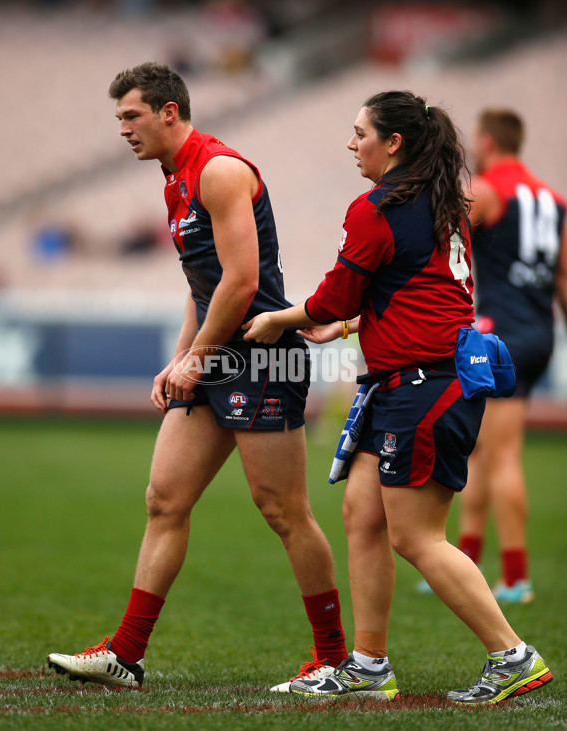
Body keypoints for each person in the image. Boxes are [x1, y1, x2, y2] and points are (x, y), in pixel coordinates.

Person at [242, 91, 553, 704]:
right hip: (417, 380)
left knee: (416, 537)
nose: (350, 143)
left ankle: (513, 655)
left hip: (424, 386)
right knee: (362, 513)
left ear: (394, 144)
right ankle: (369, 665)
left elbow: (334, 296)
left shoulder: (377, 206)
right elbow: (420, 295)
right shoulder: (442, 202)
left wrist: (281, 319)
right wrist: (353, 326)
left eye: (360, 133)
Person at [47, 62, 347, 690]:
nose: (123, 130)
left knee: (282, 509)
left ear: (169, 112)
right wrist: (180, 355)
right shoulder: (174, 179)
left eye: (131, 116)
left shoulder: (219, 170)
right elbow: (203, 286)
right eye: (119, 119)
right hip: (218, 352)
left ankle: (335, 659)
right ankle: (125, 654)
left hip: (263, 354)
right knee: (164, 500)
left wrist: (195, 359)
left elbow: (241, 284)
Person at [455, 109, 567, 603]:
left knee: (500, 456)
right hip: (540, 332)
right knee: (482, 449)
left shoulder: (486, 189)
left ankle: (516, 577)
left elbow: (444, 237)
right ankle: (467, 562)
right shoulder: (552, 198)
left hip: (503, 337)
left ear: (486, 140)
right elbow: (563, 278)